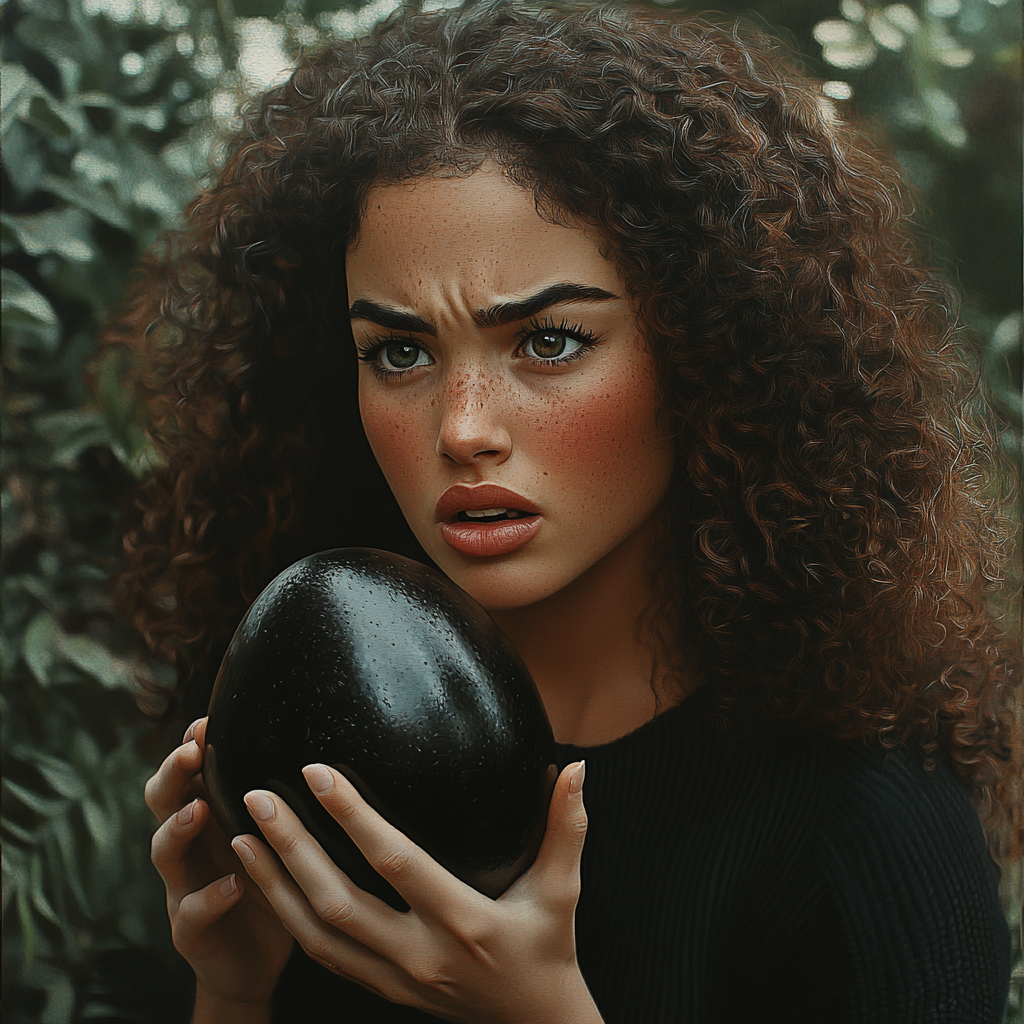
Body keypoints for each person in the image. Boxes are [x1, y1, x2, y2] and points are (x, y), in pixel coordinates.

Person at [113, 2, 1020, 1021]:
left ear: (709, 349)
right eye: (398, 352)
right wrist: (235, 988)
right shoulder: (321, 730)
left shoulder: (863, 833)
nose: (462, 428)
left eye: (547, 341)